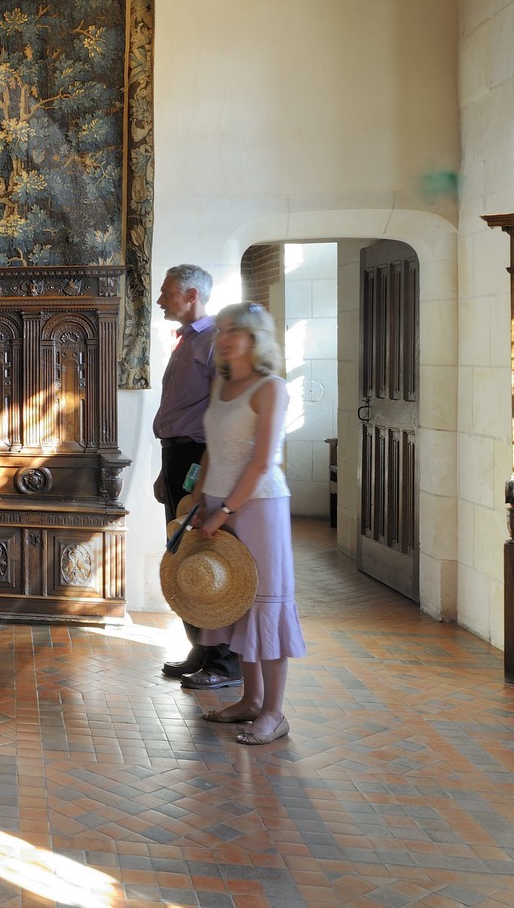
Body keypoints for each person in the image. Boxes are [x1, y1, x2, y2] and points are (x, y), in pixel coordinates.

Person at [188, 302, 307, 745]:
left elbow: (261, 463)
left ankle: (274, 713)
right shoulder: (222, 382)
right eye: (220, 330)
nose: (223, 338)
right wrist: (199, 497)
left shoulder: (270, 387)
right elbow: (212, 449)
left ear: (255, 337)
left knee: (265, 605)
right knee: (235, 602)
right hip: (219, 501)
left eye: (233, 330)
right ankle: (251, 700)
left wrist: (225, 510)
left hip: (258, 506)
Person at [153, 265, 241, 690]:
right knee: (182, 551)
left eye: (166, 292)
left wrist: (206, 473)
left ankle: (225, 660)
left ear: (192, 295)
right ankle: (201, 648)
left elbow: (221, 414)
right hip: (178, 457)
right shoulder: (186, 340)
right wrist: (165, 470)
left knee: (209, 551)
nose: (159, 300)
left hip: (199, 458)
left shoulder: (214, 342)